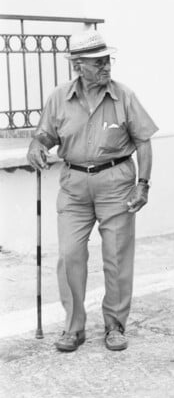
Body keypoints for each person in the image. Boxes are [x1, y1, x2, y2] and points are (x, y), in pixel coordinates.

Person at [27, 29, 158, 352]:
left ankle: (115, 325)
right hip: (73, 185)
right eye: (96, 63)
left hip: (116, 183)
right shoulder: (59, 97)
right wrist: (36, 147)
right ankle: (74, 327)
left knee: (116, 256)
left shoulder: (124, 95)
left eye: (107, 61)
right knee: (70, 254)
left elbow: (143, 140)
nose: (105, 67)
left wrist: (143, 184)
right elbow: (45, 136)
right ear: (77, 66)